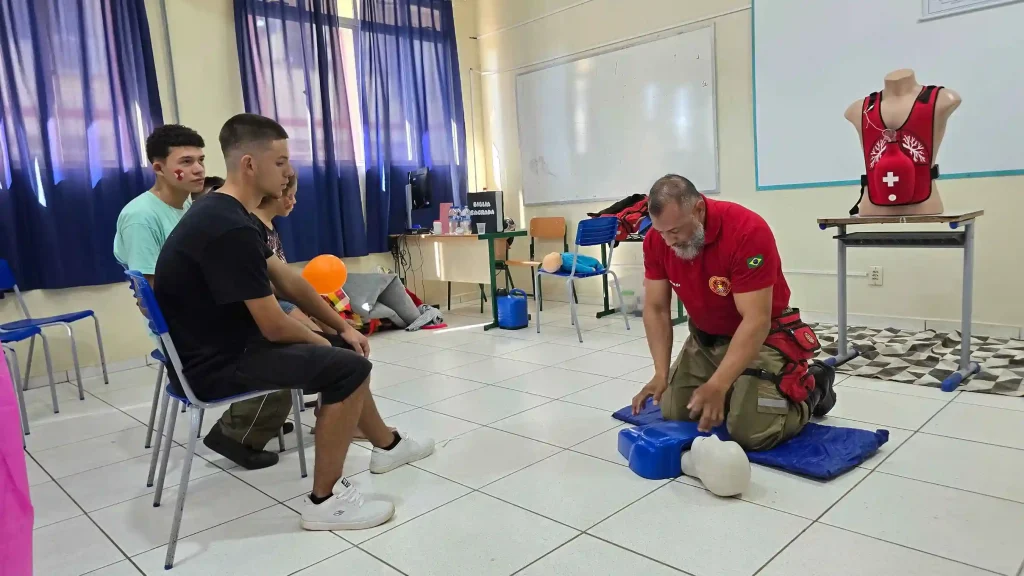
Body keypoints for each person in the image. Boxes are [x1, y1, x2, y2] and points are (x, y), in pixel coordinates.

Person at [154, 113, 433, 530]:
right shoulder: (226, 226)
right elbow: (273, 324)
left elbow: (289, 283)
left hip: (220, 346)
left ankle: (385, 445)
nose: (288, 174)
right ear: (250, 164)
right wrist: (322, 347)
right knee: (344, 367)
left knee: (343, 352)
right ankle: (325, 502)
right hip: (213, 364)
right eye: (281, 162)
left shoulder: (229, 213)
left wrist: (341, 328)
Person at [114, 124, 294, 471]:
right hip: (190, 333)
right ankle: (243, 426)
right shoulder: (142, 217)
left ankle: (263, 412)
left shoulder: (189, 209)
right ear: (159, 168)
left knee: (292, 312)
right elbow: (151, 296)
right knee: (289, 330)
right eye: (186, 161)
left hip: (210, 314)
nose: (198, 169)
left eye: (201, 159)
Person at [631, 174, 836, 451]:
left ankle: (814, 387)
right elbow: (656, 309)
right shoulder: (657, 240)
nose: (669, 241)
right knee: (676, 413)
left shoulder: (746, 230)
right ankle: (737, 391)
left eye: (676, 231)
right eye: (662, 232)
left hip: (764, 337)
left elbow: (756, 320)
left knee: (751, 432)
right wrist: (660, 374)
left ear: (699, 210)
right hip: (707, 339)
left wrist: (719, 384)